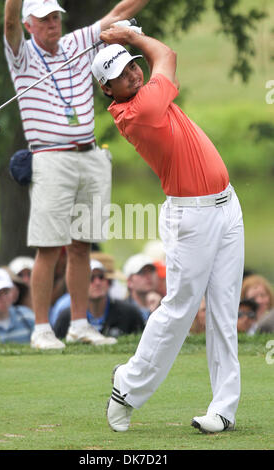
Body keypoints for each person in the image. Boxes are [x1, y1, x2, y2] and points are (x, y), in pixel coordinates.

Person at [91, 25, 245, 434]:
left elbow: (158, 60)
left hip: (227, 206)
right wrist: (131, 34)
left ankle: (224, 408)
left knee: (224, 310)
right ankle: (127, 387)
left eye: (133, 67)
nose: (134, 75)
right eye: (122, 76)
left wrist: (128, 39)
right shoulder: (141, 112)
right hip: (191, 217)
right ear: (109, 91)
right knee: (179, 307)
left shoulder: (141, 95)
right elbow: (169, 54)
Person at [3, 0, 150, 350]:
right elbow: (8, 21)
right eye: (44, 19)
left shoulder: (76, 42)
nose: (53, 23)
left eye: (55, 16)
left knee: (83, 246)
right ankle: (41, 330)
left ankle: (79, 325)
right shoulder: (20, 55)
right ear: (29, 26)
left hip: (90, 154)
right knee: (50, 247)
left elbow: (118, 14)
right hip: (51, 159)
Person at [53, 259, 144, 340]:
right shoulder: (67, 316)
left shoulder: (129, 313)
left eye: (101, 277)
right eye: (91, 278)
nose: (97, 282)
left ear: (108, 282)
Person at [123, 253, 158, 323]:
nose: (148, 276)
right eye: (141, 272)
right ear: (129, 281)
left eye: (151, 271)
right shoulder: (121, 311)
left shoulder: (165, 306)